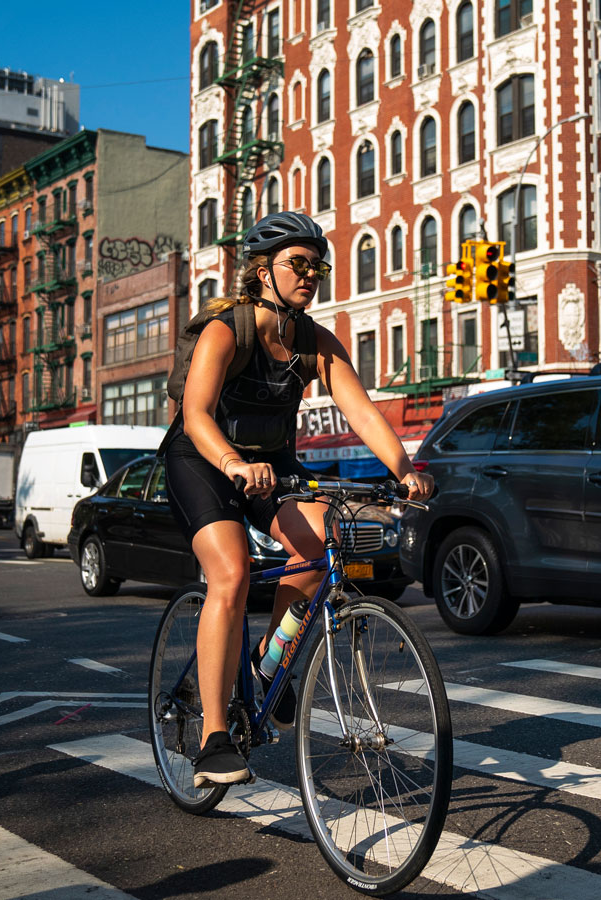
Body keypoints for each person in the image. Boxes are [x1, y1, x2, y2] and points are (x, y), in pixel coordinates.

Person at [162, 211, 433, 787]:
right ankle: (214, 737)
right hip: (202, 458)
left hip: (272, 464)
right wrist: (234, 462)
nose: (311, 274)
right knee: (231, 573)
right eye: (298, 264)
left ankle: (268, 663)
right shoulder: (225, 331)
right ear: (263, 272)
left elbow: (360, 410)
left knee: (321, 540)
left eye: (318, 266)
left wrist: (405, 469)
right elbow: (196, 414)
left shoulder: (314, 341)